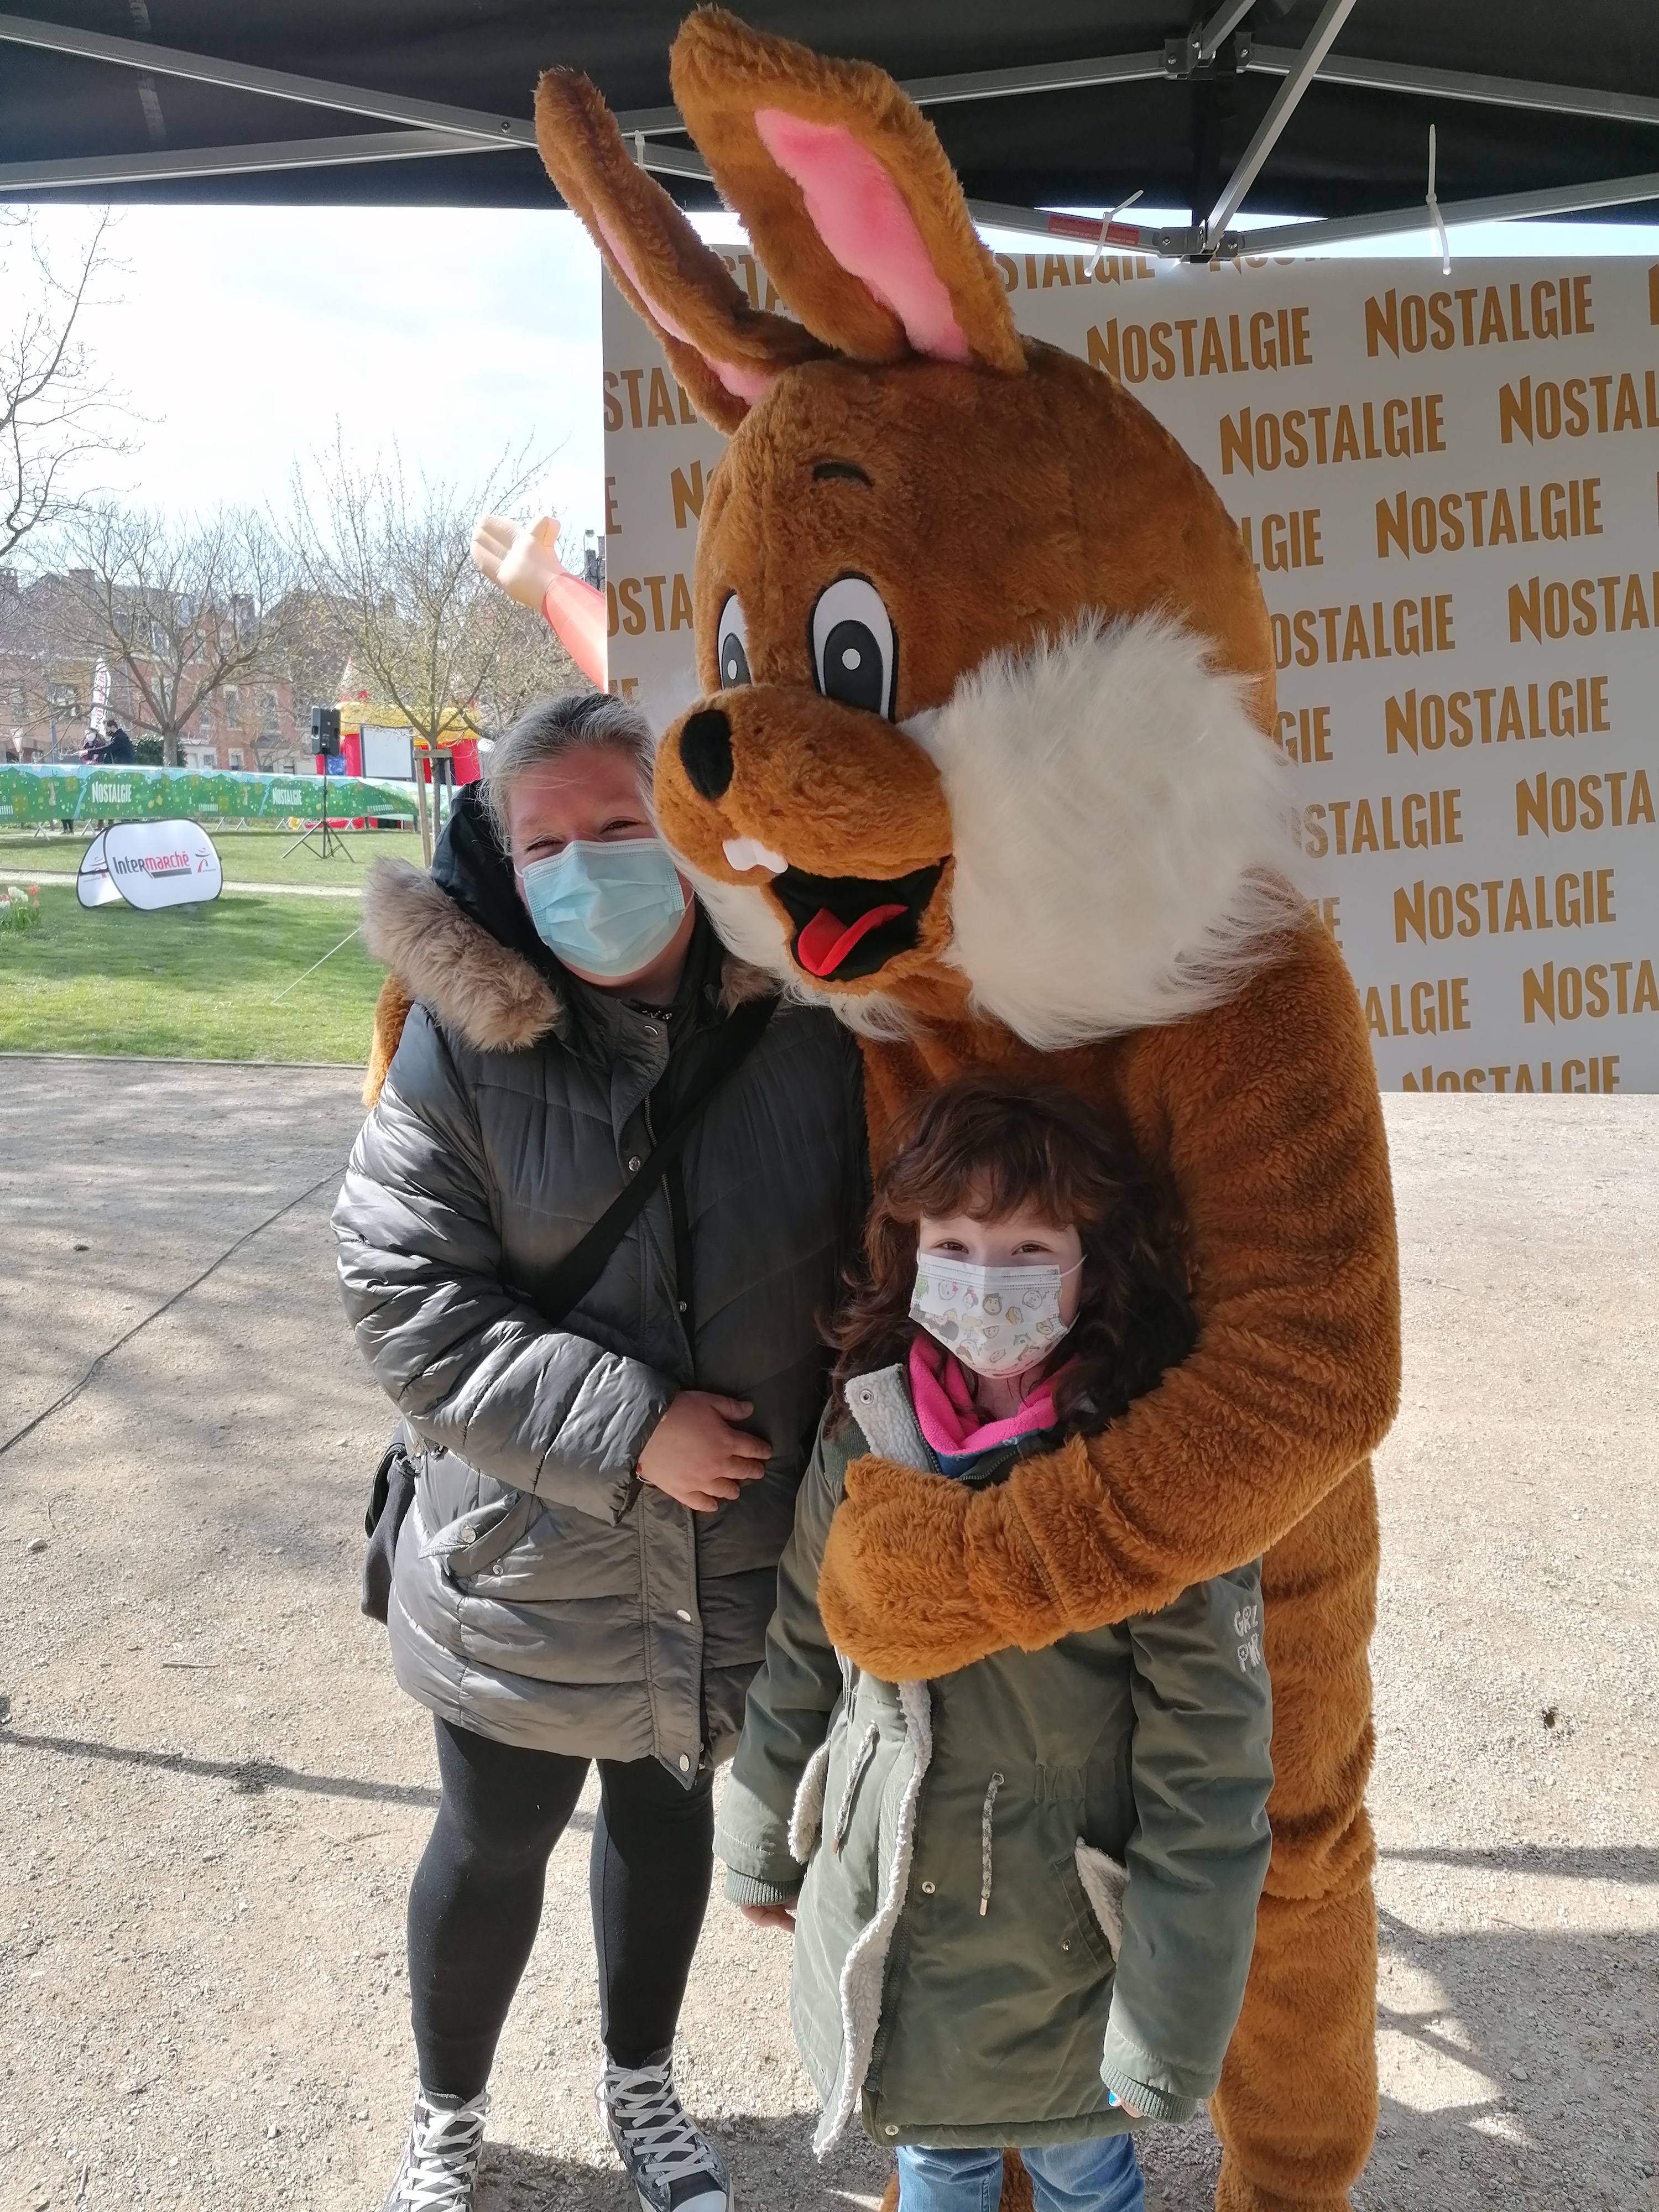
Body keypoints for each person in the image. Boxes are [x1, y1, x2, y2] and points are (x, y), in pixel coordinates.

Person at [333, 691, 868, 2212]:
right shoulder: (459, 1045)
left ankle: (642, 2082)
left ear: (684, 832)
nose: (582, 868)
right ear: (505, 859)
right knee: (492, 1839)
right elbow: (402, 1295)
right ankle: (449, 2111)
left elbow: (881, 1241)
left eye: (618, 827)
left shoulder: (811, 1021)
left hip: (731, 1555)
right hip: (525, 1560)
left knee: (663, 1814)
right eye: (545, 842)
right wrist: (633, 1426)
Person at [715, 1074, 1274, 2212]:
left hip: (1063, 1953)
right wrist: (763, 1832)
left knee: (1082, 2168)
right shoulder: (865, 1429)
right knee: (933, 2155)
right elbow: (804, 1645)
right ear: (911, 1250)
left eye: (1029, 1248)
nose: (987, 1279)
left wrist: (1165, 2026)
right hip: (891, 1916)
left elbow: (1209, 1762)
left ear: (1092, 1262)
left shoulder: (1147, 1472)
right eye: (956, 1244)